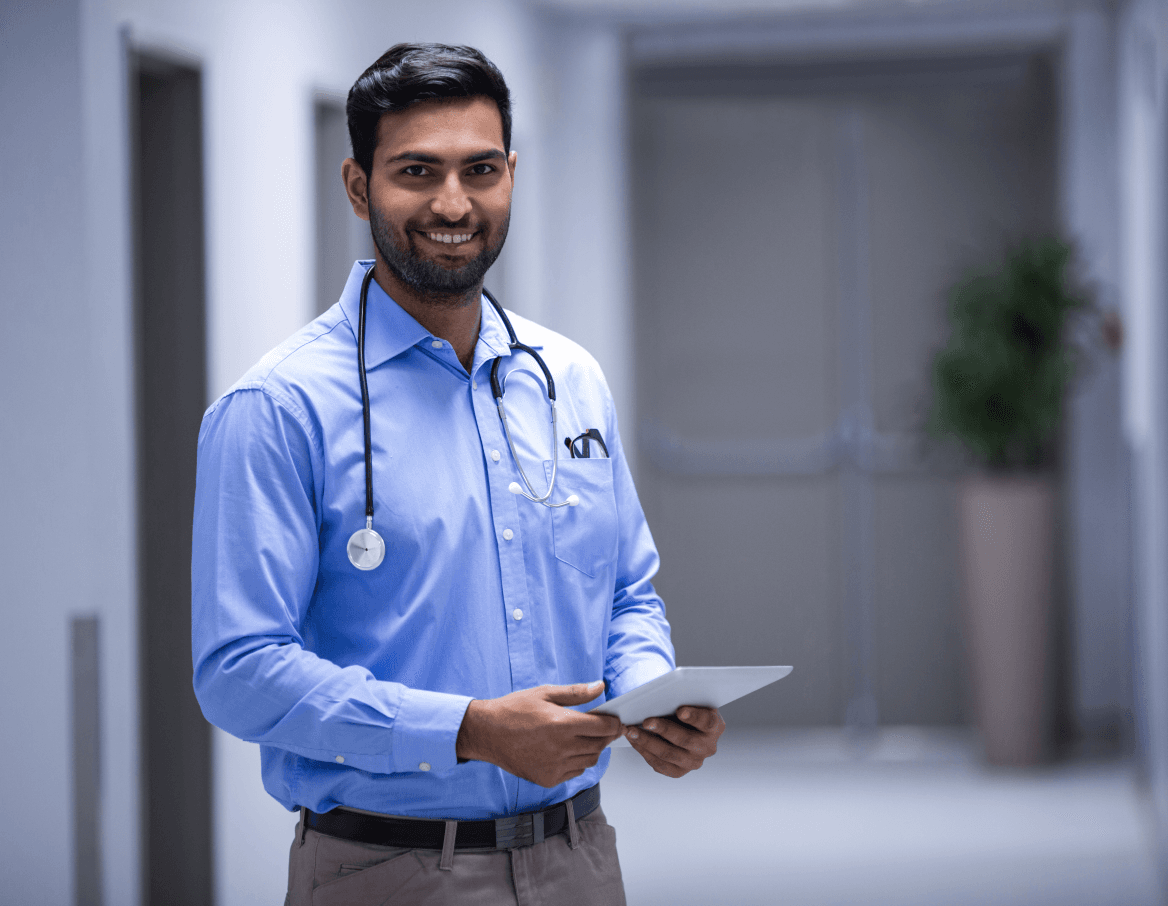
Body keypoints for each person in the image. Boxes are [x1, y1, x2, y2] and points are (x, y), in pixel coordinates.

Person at [192, 42, 724, 906]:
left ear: (511, 173)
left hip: (580, 859)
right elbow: (240, 671)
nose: (453, 203)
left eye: (479, 169)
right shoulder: (280, 408)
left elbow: (626, 590)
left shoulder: (569, 381)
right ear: (359, 187)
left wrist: (648, 697)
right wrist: (469, 732)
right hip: (386, 872)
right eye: (416, 171)